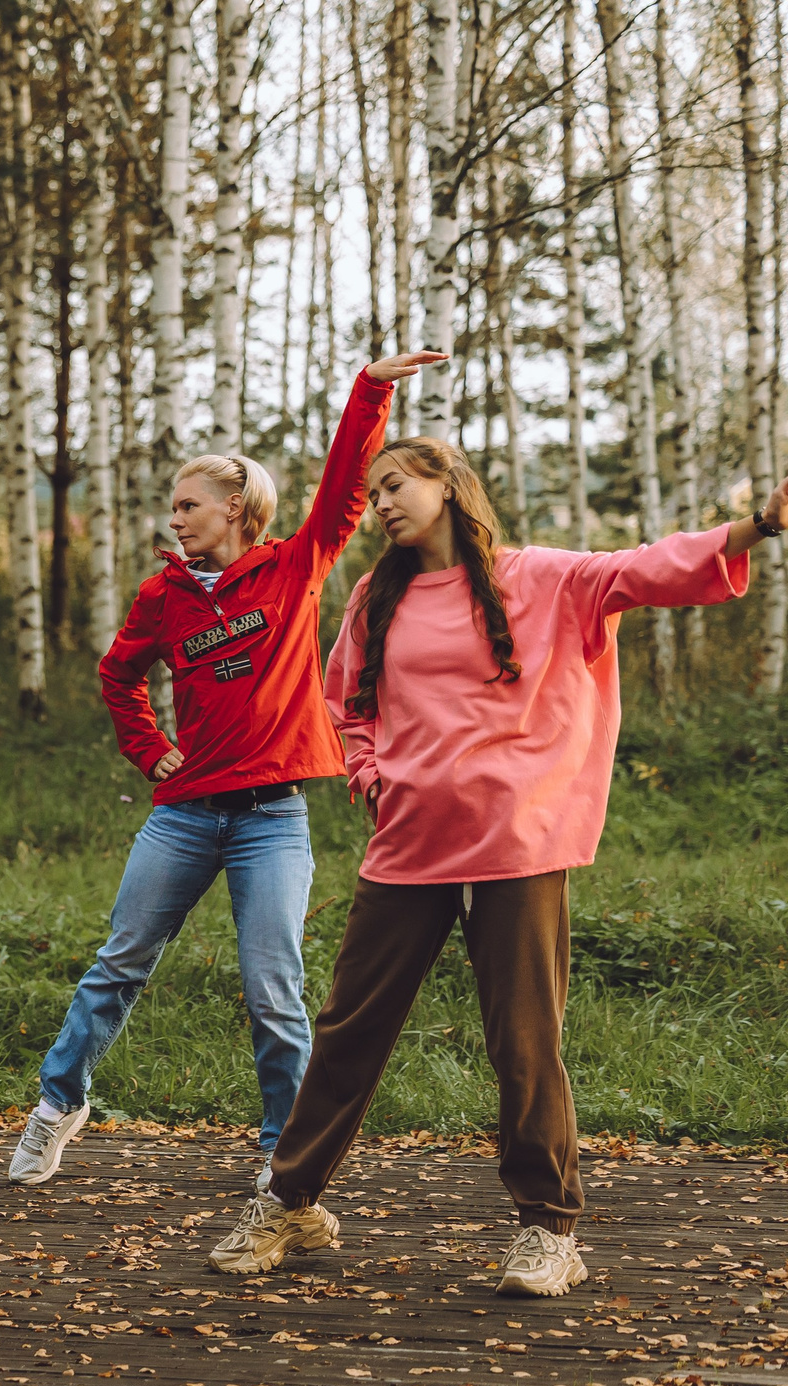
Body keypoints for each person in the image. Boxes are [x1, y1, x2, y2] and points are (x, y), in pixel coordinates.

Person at [208, 443, 776, 1294]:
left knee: (523, 1036)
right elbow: (344, 701)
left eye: (397, 484)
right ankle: (291, 1200)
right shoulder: (376, 596)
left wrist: (761, 524)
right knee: (349, 1029)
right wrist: (368, 773)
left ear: (448, 484)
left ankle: (549, 1231)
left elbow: (646, 568)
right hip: (409, 843)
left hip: (518, 840)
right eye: (373, 493)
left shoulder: (540, 578)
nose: (383, 503)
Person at [7, 351, 450, 1190]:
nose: (175, 519)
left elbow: (343, 494)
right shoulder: (162, 596)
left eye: (188, 505)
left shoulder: (295, 566)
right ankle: (57, 1106)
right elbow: (117, 675)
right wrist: (150, 747)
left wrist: (372, 390)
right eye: (172, 507)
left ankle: (283, 1151)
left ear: (236, 508)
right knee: (119, 962)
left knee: (274, 989)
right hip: (183, 814)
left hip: (271, 818)